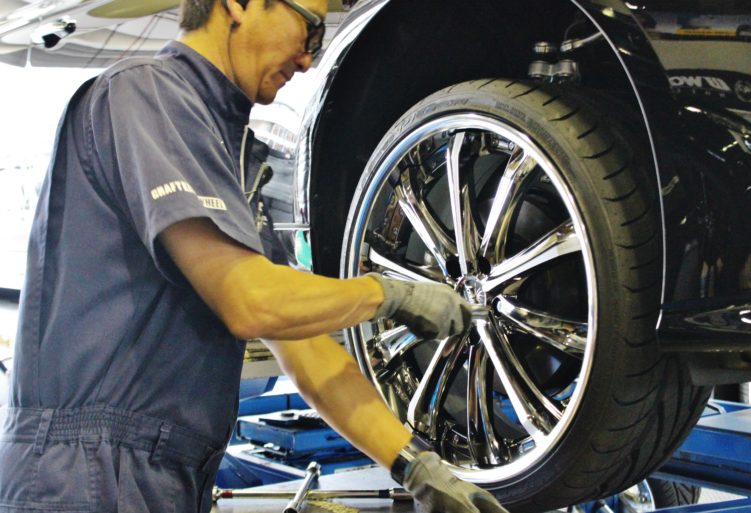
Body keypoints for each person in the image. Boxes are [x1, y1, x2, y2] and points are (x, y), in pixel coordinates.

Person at [0, 0, 509, 512]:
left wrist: (415, 466)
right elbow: (249, 301)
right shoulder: (145, 95)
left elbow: (304, 346)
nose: (308, 59)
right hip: (90, 472)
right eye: (309, 30)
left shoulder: (232, 151)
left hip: (165, 474)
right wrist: (389, 295)